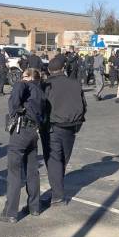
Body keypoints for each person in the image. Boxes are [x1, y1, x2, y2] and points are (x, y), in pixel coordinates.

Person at [0, 68, 46, 223]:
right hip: (33, 132)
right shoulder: (41, 93)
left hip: (21, 131)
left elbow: (15, 97)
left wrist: (17, 110)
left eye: (24, 76)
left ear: (30, 77)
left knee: (14, 172)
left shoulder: (25, 85)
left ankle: (10, 213)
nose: (21, 78)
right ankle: (34, 207)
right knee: (32, 171)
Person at [41, 57, 86, 206]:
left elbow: (40, 105)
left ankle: (58, 195)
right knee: (62, 160)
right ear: (63, 68)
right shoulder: (75, 83)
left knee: (54, 160)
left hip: (52, 127)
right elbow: (83, 105)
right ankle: (57, 191)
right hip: (71, 127)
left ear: (49, 70)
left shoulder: (46, 84)